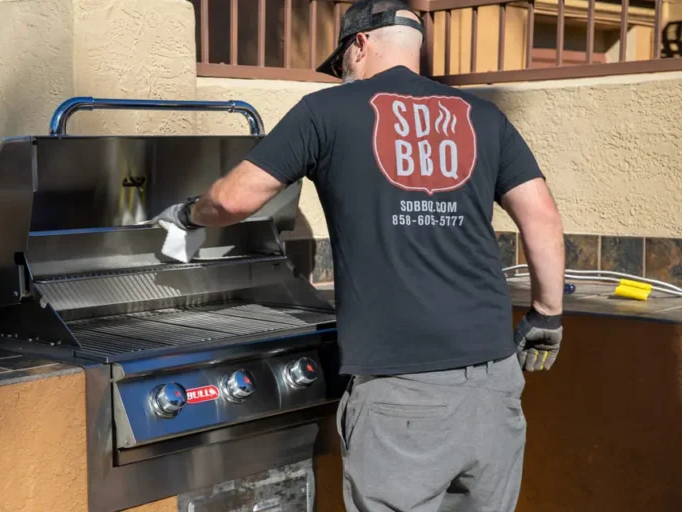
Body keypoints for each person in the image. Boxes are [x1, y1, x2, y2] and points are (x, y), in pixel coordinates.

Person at [155, 0, 565, 510]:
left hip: (402, 395)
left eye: (341, 63)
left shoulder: (326, 112)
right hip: (494, 383)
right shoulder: (483, 115)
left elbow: (232, 199)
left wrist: (187, 215)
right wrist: (547, 316)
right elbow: (542, 217)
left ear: (360, 44)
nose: (342, 74)